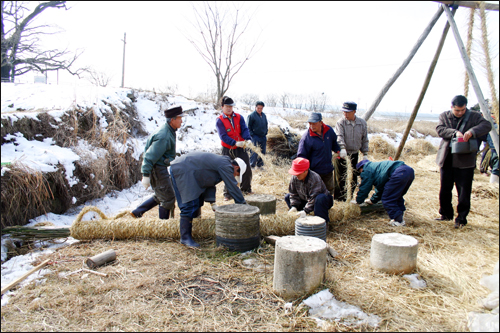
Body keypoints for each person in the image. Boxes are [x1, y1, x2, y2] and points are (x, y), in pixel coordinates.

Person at [435, 95, 492, 228]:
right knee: (445, 189)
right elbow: (440, 129)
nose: (460, 113)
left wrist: (472, 131)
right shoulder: (444, 116)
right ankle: (446, 214)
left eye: (463, 110)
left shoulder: (474, 116)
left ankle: (461, 219)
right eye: (457, 110)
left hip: (465, 160)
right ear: (452, 108)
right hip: (447, 157)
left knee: (464, 191)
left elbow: (487, 125)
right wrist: (454, 133)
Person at [170, 152, 247, 247]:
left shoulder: (222, 163)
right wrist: (243, 206)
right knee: (189, 204)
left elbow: (209, 182)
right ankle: (185, 238)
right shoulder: (226, 165)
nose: (234, 176)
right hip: (184, 169)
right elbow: (232, 187)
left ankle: (194, 229)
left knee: (197, 201)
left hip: (188, 168)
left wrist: (212, 202)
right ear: (236, 168)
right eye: (236, 174)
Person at [130, 106, 184, 219]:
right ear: (172, 119)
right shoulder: (164, 135)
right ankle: (163, 227)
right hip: (157, 169)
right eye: (180, 118)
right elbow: (149, 156)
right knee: (167, 198)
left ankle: (137, 212)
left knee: (162, 194)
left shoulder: (169, 130)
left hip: (160, 167)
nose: (182, 121)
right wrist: (145, 175)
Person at [352, 159, 415, 227]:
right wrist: (373, 200)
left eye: (360, 172)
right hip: (409, 171)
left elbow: (365, 187)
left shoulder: (366, 169)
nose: (361, 174)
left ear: (361, 168)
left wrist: (358, 201)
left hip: (399, 173)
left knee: (388, 199)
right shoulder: (377, 169)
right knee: (396, 196)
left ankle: (399, 221)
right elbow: (381, 189)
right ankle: (399, 217)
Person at [215, 96, 253, 200]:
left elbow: (244, 129)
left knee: (246, 167)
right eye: (227, 106)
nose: (229, 108)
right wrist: (235, 143)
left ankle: (246, 189)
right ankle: (228, 194)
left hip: (241, 147)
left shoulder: (239, 117)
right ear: (222, 107)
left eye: (231, 106)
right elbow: (223, 136)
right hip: (228, 148)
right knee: (228, 170)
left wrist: (247, 139)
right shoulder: (219, 120)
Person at [297, 112, 341, 194]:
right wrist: (305, 171)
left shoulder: (329, 130)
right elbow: (301, 156)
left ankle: (328, 206)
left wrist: (338, 151)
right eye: (310, 123)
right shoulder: (306, 137)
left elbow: (334, 142)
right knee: (315, 192)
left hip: (328, 169)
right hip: (314, 172)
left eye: (314, 123)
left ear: (321, 122)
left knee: (329, 191)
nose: (311, 126)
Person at [334, 101, 369, 201]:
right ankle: (339, 200)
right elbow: (339, 136)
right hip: (341, 154)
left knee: (352, 178)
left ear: (354, 111)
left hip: (354, 154)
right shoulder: (341, 122)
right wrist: (342, 148)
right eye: (344, 112)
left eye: (348, 112)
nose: (345, 114)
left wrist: (365, 153)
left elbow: (364, 139)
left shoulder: (361, 123)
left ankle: (348, 198)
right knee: (340, 178)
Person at [285, 157, 334, 224]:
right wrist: (294, 206)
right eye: (295, 173)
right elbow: (293, 193)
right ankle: (299, 218)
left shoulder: (315, 178)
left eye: (299, 173)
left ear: (306, 171)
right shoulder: (294, 177)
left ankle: (322, 224)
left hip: (320, 202)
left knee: (320, 198)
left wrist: (306, 210)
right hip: (306, 200)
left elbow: (314, 197)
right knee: (287, 197)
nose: (297, 175)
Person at [247, 101, 268, 170]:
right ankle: (252, 165)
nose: (259, 109)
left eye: (261, 108)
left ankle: (260, 165)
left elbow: (266, 124)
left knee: (262, 151)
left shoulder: (264, 115)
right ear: (255, 107)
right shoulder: (251, 116)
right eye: (258, 108)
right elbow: (248, 127)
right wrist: (252, 135)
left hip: (263, 136)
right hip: (255, 136)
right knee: (254, 151)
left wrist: (266, 132)